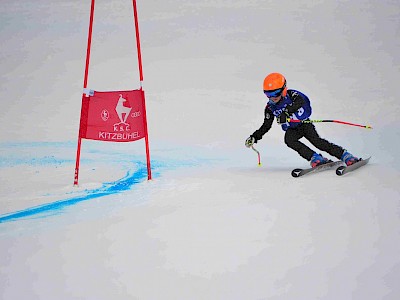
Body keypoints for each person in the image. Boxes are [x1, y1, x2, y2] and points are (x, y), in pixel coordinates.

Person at [245, 72, 359, 168]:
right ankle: (315, 157)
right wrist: (254, 137)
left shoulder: (292, 95)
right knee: (289, 140)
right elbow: (266, 125)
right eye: (268, 94)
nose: (272, 97)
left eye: (276, 93)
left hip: (305, 124)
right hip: (292, 128)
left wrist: (286, 112)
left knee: (318, 142)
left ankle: (345, 155)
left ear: (284, 89)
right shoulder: (270, 108)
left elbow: (301, 102)